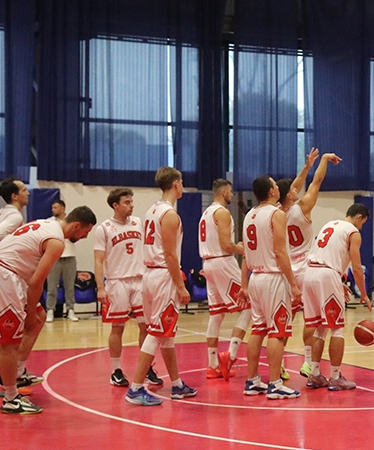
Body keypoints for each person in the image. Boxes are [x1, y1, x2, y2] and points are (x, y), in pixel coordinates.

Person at [0, 206, 97, 413]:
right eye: (85, 232)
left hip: (6, 273)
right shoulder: (56, 241)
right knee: (8, 340)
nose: (85, 237)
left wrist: (34, 313)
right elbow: (36, 282)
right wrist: (29, 312)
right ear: (76, 225)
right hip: (4, 276)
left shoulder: (45, 223)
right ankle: (10, 397)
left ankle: (18, 371)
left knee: (40, 317)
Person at [124, 167, 198, 406]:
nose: (183, 186)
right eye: (182, 182)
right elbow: (170, 255)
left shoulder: (152, 210)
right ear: (175, 184)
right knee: (157, 332)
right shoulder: (169, 215)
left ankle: (176, 385)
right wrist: (181, 286)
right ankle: (135, 388)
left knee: (165, 335)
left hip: (150, 275)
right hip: (162, 276)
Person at [278, 149, 340, 379]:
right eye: (293, 190)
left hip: (286, 270)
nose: (297, 189)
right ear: (291, 195)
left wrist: (305, 166)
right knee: (311, 318)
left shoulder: (276, 212)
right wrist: (322, 160)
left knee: (285, 319)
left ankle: (280, 363)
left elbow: (294, 186)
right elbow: (317, 181)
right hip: (305, 266)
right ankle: (306, 363)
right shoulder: (302, 207)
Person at [240, 175, 302, 400]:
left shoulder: (249, 215)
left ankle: (252, 380)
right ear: (272, 192)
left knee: (258, 330)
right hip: (273, 278)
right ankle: (275, 384)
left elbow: (246, 255)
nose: (278, 186)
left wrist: (244, 284)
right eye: (275, 184)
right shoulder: (276, 214)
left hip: (255, 277)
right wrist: (293, 284)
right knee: (278, 331)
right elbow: (279, 252)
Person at [94, 187, 162, 387]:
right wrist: (100, 287)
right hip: (117, 282)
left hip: (140, 280)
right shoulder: (104, 228)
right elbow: (98, 260)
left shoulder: (139, 223)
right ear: (115, 205)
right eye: (127, 202)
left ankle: (146, 367)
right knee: (118, 327)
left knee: (146, 326)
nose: (131, 205)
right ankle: (115, 370)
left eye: (132, 202)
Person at [301, 203, 371, 391]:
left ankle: (315, 374)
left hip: (310, 274)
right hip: (326, 276)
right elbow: (357, 267)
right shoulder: (353, 232)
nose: (361, 227)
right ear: (359, 217)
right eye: (363, 222)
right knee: (337, 329)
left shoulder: (329, 225)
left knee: (319, 328)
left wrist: (337, 283)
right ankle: (335, 376)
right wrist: (363, 294)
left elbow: (324, 257)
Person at [0, 177, 32, 397]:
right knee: (33, 320)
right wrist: (12, 246)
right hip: (6, 272)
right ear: (14, 195)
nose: (27, 192)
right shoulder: (14, 215)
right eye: (23, 189)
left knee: (0, 333)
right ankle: (13, 377)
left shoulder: (3, 212)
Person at [198, 179, 250, 381]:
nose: (232, 195)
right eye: (230, 192)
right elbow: (226, 245)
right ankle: (232, 355)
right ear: (225, 191)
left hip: (208, 264)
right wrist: (241, 247)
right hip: (222, 262)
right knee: (250, 305)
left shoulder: (206, 213)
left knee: (217, 314)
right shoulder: (222, 212)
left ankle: (212, 366)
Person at [44, 200, 79, 322]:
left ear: (63, 208)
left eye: (55, 207)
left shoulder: (71, 220)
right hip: (54, 257)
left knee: (70, 286)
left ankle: (70, 309)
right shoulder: (49, 222)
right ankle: (50, 310)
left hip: (69, 256)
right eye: (52, 207)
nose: (53, 210)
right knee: (52, 286)